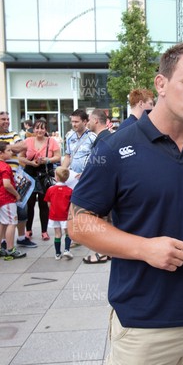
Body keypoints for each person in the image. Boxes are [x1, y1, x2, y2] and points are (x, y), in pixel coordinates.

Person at [69, 41, 183, 364]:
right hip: (144, 327)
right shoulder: (115, 149)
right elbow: (78, 222)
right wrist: (144, 248)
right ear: (160, 84)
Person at [0, 111, 35, 249]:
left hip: (16, 178)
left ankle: (22, 238)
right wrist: (12, 148)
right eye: (3, 119)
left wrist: (3, 148)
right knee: (2, 212)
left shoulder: (14, 134)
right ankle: (4, 242)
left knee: (22, 209)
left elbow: (24, 147)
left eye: (8, 119)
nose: (6, 121)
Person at [21, 119, 61, 241]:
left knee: (44, 204)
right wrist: (31, 162)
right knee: (30, 203)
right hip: (29, 174)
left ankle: (44, 231)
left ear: (46, 130)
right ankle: (28, 230)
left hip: (45, 174)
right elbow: (21, 158)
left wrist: (47, 160)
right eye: (37, 128)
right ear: (33, 129)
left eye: (42, 128)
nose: (39, 130)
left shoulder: (52, 141)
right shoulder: (27, 141)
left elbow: (58, 156)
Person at [81, 109, 113, 264]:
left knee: (101, 222)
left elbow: (101, 166)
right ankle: (109, 251)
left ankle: (102, 253)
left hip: (103, 189)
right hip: (108, 187)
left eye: (88, 119)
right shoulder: (107, 137)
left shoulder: (103, 140)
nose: (87, 122)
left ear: (95, 120)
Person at [0, 142, 26, 260]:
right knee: (12, 223)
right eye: (8, 150)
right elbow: (7, 184)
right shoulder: (5, 166)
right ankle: (10, 249)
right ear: (0, 153)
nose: (11, 152)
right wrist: (17, 194)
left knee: (2, 223)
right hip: (6, 198)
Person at [61, 109, 96, 188]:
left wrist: (86, 173)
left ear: (84, 122)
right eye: (72, 121)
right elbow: (68, 156)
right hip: (72, 177)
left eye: (76, 122)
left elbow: (96, 159)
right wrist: (62, 171)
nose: (73, 124)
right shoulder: (69, 136)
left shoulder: (93, 137)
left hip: (87, 177)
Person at [44, 167, 73, 260]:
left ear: (56, 177)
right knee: (68, 233)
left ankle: (57, 253)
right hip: (65, 215)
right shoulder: (69, 190)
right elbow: (71, 205)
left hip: (54, 215)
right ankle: (67, 250)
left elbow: (48, 203)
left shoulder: (50, 189)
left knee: (57, 234)